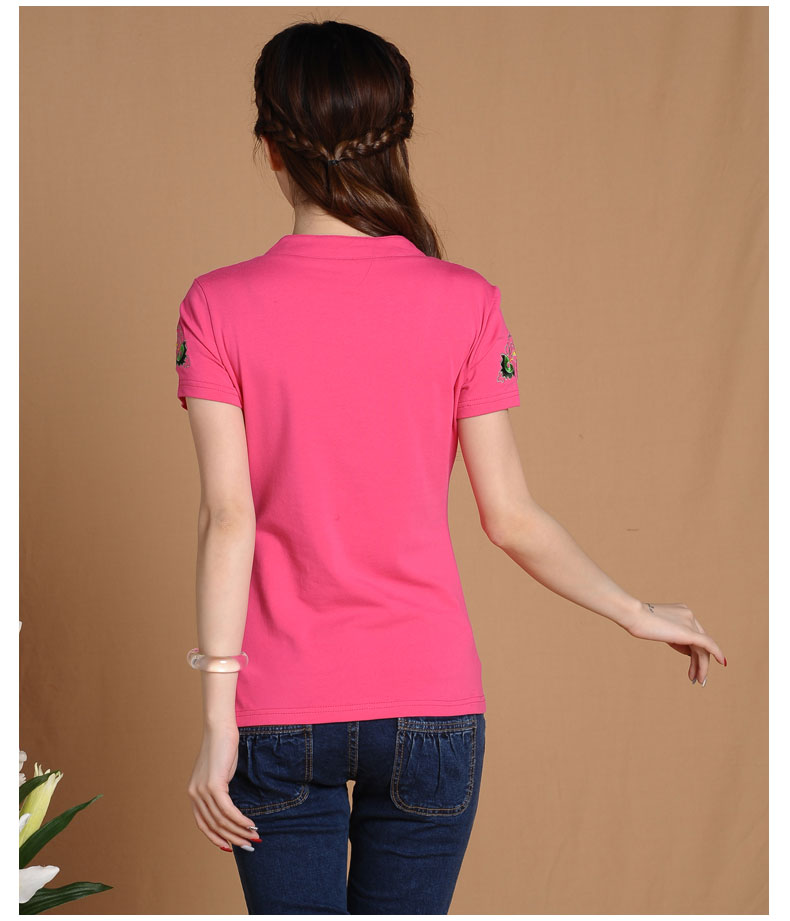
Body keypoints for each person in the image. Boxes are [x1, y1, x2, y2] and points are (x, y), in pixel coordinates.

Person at [176, 18, 727, 916]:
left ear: (270, 146)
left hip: (276, 711)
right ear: (395, 143)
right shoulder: (465, 301)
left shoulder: (218, 303)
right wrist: (635, 610)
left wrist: (215, 718)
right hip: (430, 709)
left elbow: (229, 516)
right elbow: (510, 516)